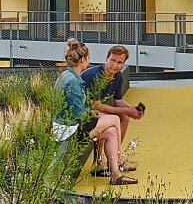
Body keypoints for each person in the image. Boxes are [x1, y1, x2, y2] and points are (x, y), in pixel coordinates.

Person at [53, 38, 133, 185]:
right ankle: (119, 159)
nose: (89, 61)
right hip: (71, 129)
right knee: (114, 120)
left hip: (69, 126)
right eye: (88, 58)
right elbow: (78, 114)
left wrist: (92, 113)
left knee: (111, 132)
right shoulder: (73, 81)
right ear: (82, 59)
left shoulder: (67, 75)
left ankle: (116, 174)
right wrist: (92, 113)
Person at [84, 44, 145, 172]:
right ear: (106, 59)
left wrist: (131, 109)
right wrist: (126, 110)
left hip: (95, 113)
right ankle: (103, 161)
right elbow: (96, 105)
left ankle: (115, 154)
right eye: (112, 60)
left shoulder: (118, 76)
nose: (115, 65)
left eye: (119, 62)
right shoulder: (93, 76)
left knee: (124, 117)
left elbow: (118, 101)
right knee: (109, 119)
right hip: (84, 114)